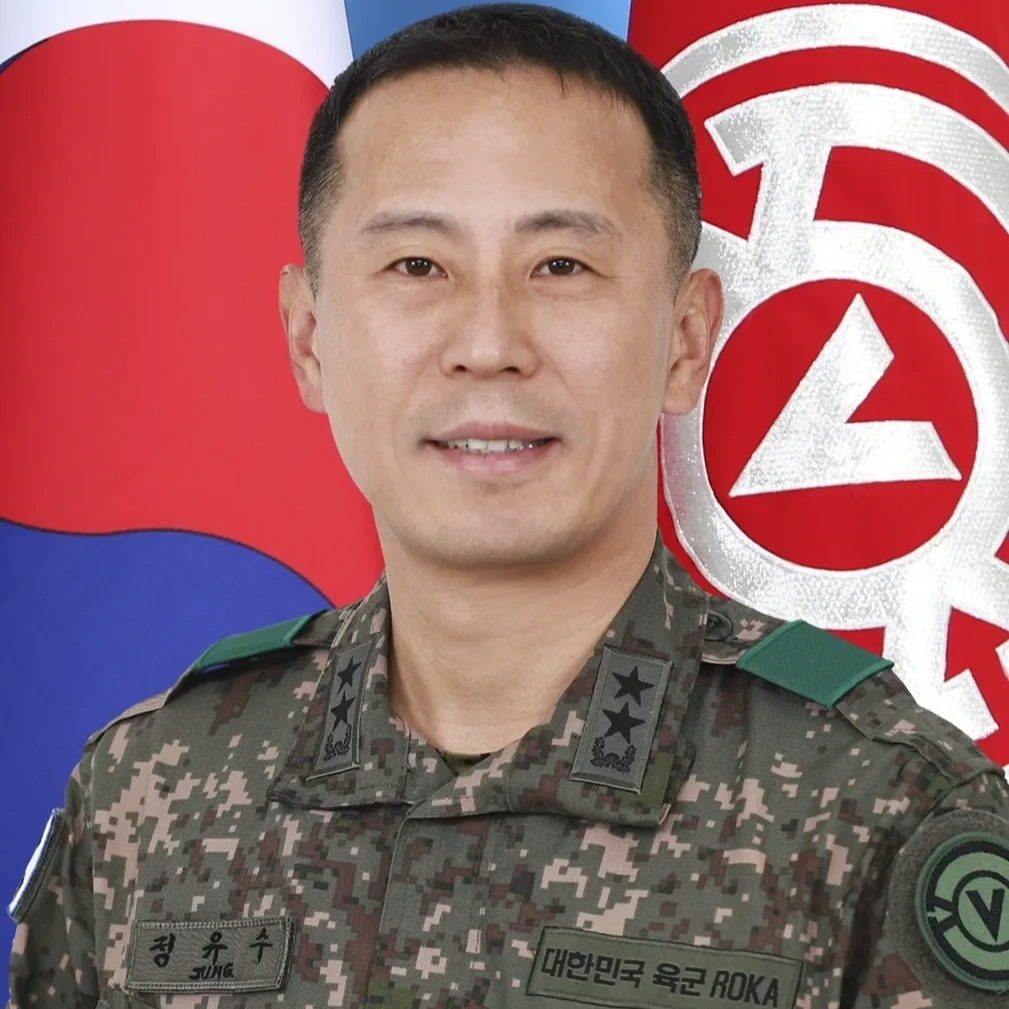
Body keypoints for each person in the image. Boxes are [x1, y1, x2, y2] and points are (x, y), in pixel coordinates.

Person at [8, 4, 1009, 1007]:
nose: (487, 345)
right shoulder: (150, 793)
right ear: (309, 339)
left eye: (560, 266)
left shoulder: (883, 812)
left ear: (685, 339)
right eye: (416, 266)